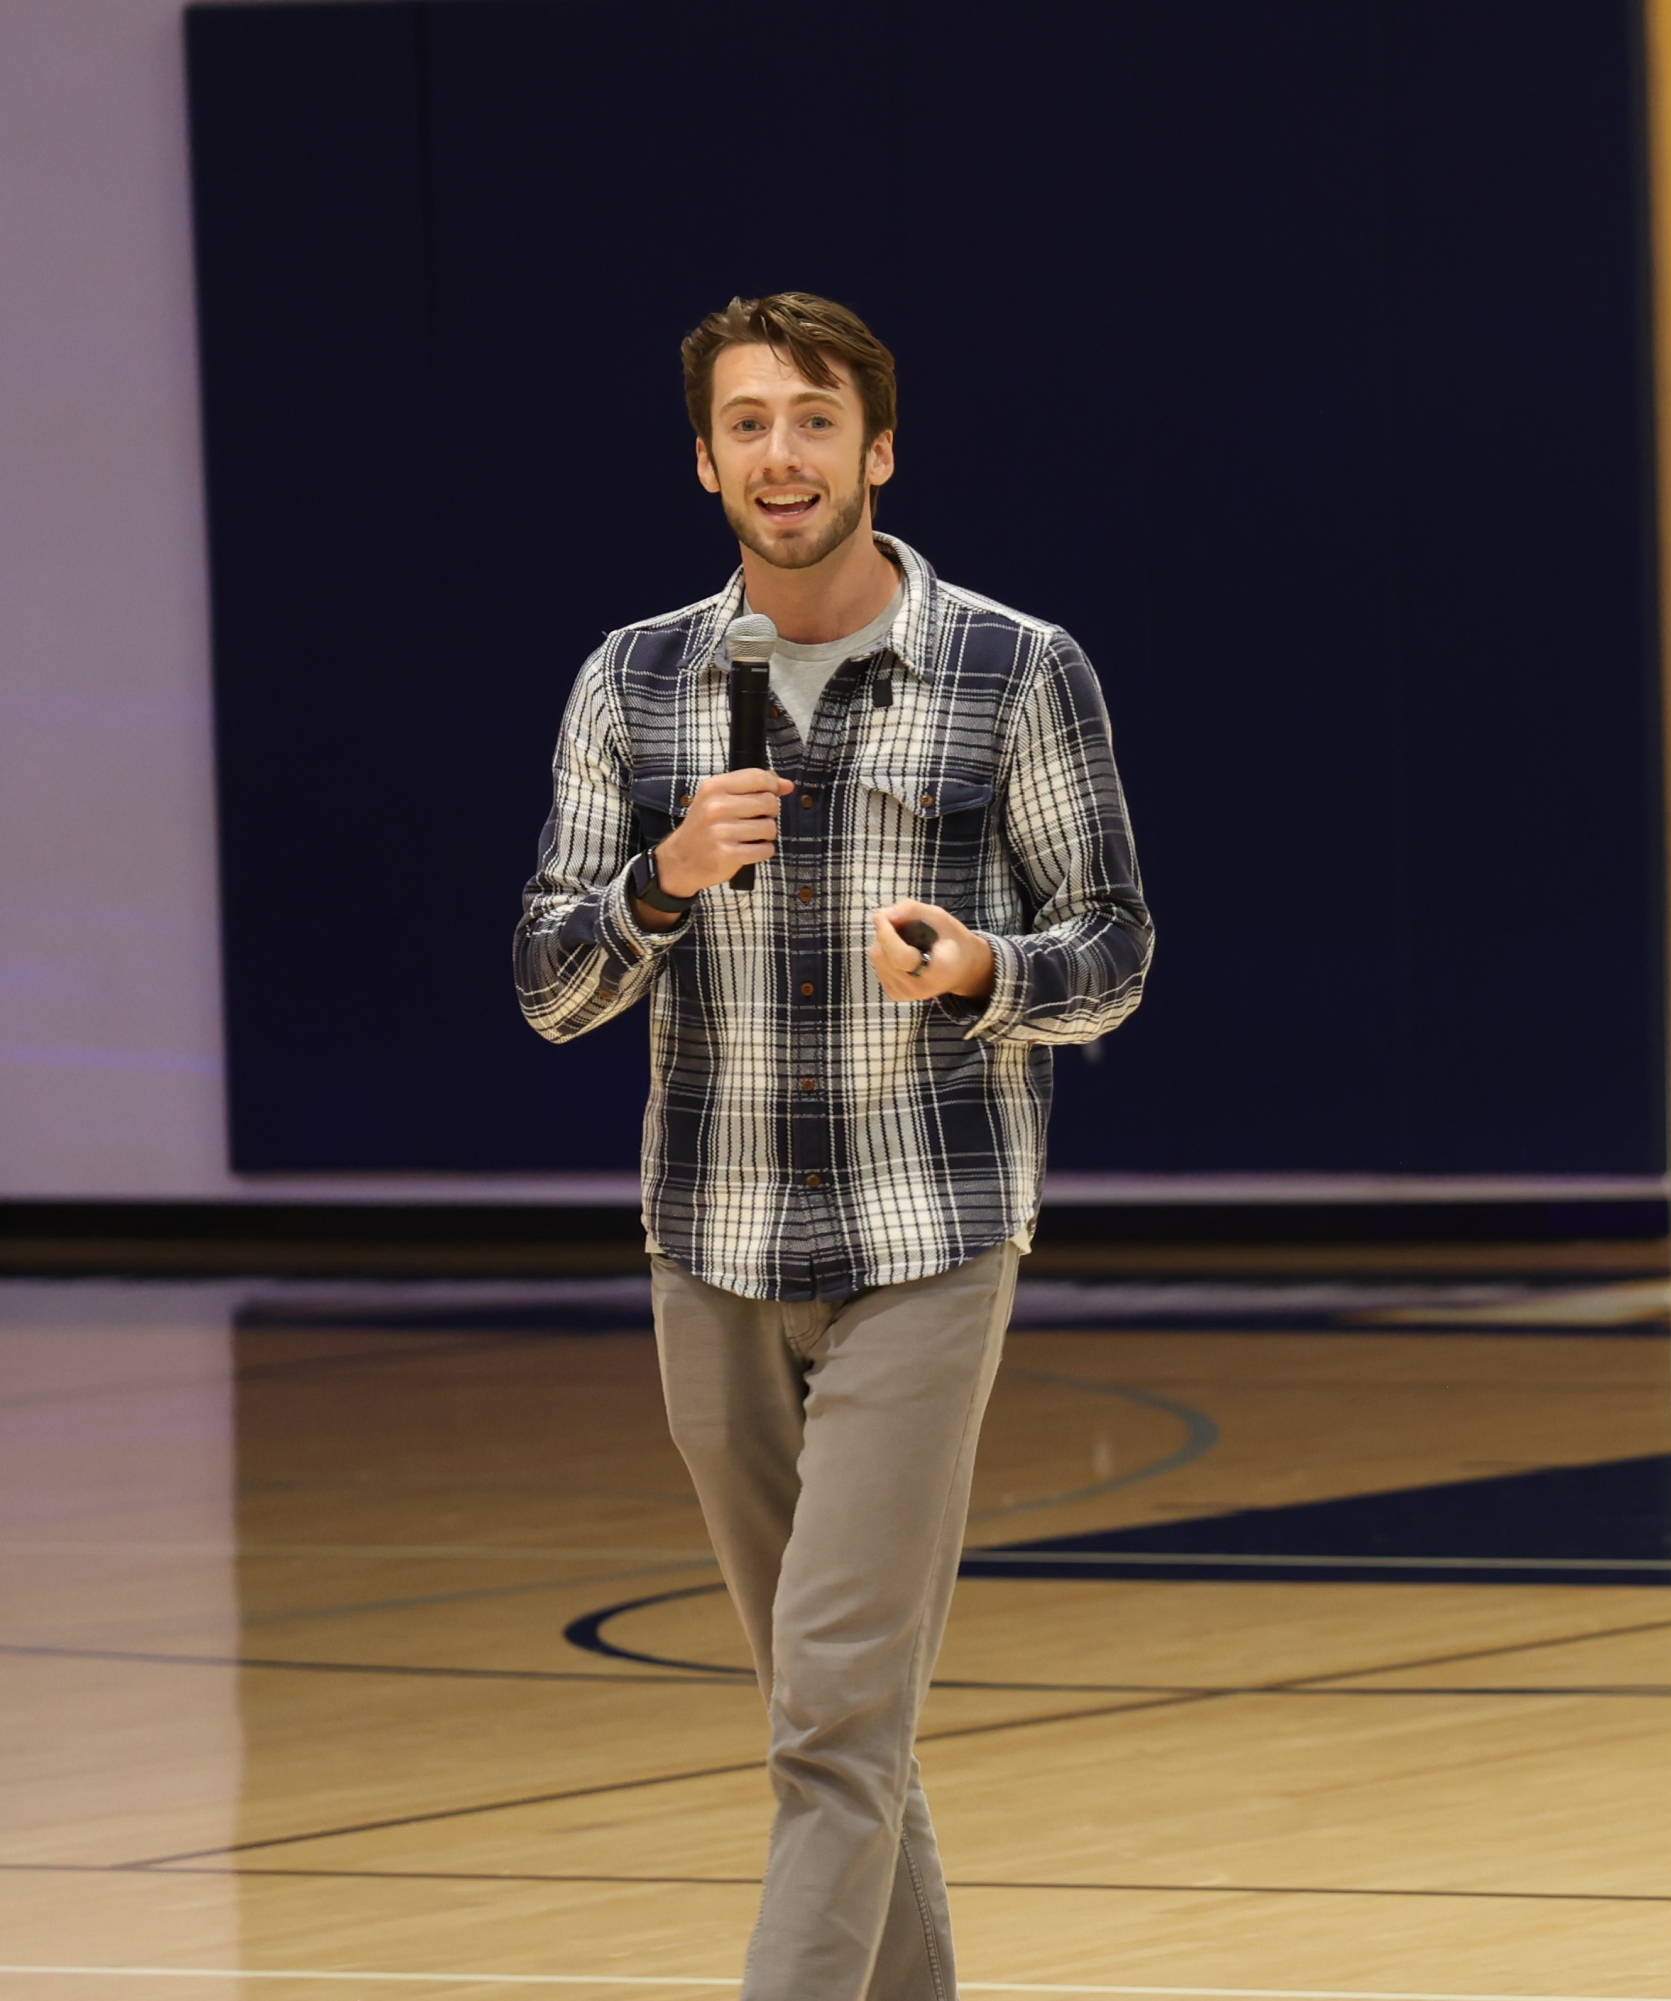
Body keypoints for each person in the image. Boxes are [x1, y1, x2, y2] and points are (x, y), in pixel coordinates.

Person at [515, 292, 1150, 2001]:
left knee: (834, 1704)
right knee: (837, 1717)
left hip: (923, 1237)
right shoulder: (633, 677)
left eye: (811, 420)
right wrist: (659, 880)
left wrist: (981, 974)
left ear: (877, 450)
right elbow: (548, 988)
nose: (777, 454)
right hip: (706, 1246)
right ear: (704, 459)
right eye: (745, 423)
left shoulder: (1018, 669)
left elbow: (1111, 956)